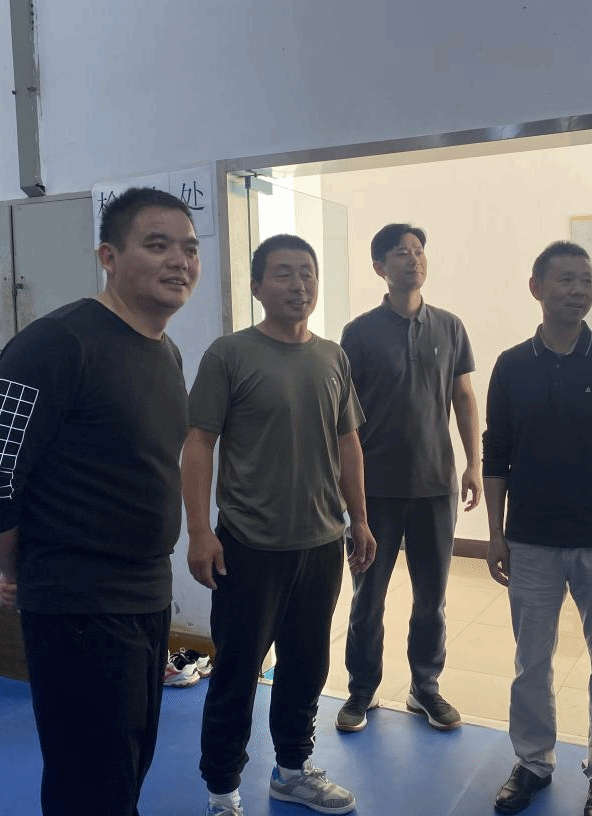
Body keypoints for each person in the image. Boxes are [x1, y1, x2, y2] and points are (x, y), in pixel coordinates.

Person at [0, 187, 201, 816]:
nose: (180, 261)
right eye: (157, 245)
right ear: (108, 257)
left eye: (189, 248)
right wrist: (19, 570)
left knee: (126, 772)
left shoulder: (166, 351)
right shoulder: (56, 344)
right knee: (90, 788)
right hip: (79, 607)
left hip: (146, 595)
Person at [183, 234, 375, 816]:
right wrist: (199, 531)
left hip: (320, 543)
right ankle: (222, 790)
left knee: (307, 666)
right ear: (257, 286)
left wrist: (360, 519)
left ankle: (292, 770)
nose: (299, 285)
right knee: (237, 672)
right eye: (284, 273)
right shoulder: (229, 354)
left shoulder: (333, 356)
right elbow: (199, 444)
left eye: (307, 273)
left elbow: (348, 443)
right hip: (248, 545)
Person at [482, 241, 592, 816]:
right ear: (537, 287)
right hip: (530, 540)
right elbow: (496, 453)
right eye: (566, 280)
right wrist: (496, 532)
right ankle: (533, 762)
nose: (579, 291)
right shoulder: (511, 365)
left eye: (586, 280)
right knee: (531, 661)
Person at [335, 223, 480, 733]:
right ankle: (361, 690)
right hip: (374, 491)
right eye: (401, 253)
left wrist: (474, 463)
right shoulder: (358, 333)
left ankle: (425, 688)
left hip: (435, 486)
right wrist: (346, 493)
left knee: (431, 599)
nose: (413, 259)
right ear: (380, 266)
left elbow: (464, 397)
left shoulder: (450, 327)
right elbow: (341, 418)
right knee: (367, 597)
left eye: (419, 251)